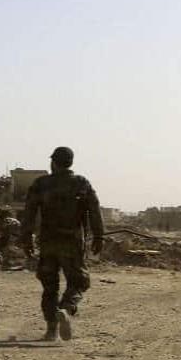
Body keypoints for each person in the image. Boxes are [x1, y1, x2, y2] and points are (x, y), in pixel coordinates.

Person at [20, 146, 105, 341]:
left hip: (48, 242)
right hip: (72, 242)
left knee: (50, 286)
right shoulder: (81, 184)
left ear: (53, 163)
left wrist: (26, 238)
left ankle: (51, 331)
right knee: (79, 282)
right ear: (70, 163)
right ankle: (66, 308)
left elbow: (29, 213)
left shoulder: (41, 184)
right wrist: (99, 236)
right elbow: (94, 210)